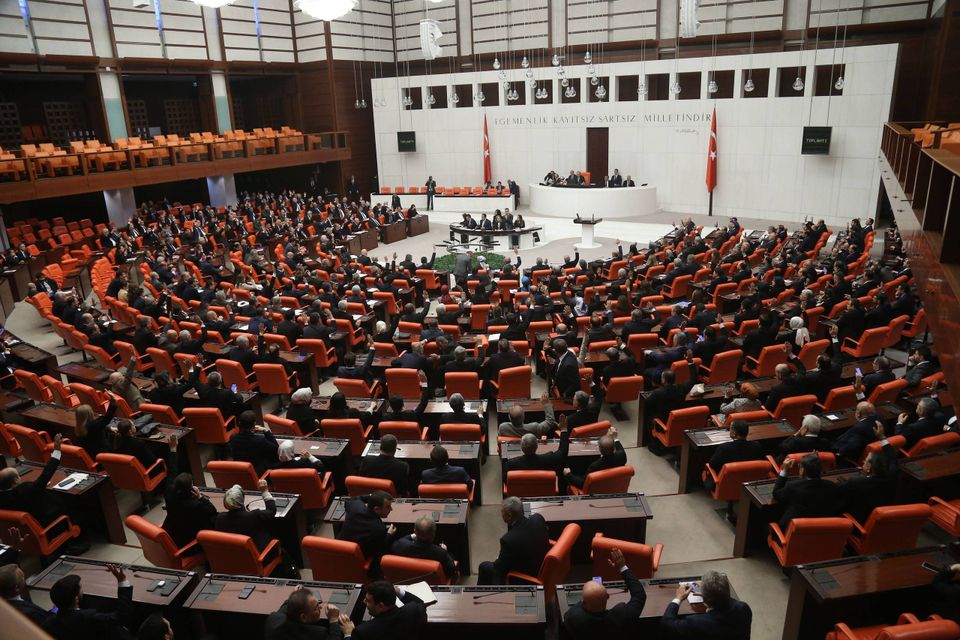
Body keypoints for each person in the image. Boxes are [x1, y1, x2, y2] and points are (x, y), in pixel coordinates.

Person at [563, 548, 646, 640]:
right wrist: (622, 567)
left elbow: (568, 614)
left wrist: (586, 600)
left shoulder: (574, 618)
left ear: (583, 602)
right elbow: (639, 595)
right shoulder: (621, 616)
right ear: (607, 596)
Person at [43, 564, 134, 640]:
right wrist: (122, 581)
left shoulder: (49, 623)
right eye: (81, 588)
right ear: (76, 599)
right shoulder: (89, 618)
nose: (83, 590)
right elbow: (122, 616)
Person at [478, 496, 551, 585]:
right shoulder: (538, 518)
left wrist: (498, 559)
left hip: (525, 577)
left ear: (509, 515)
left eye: (502, 512)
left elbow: (499, 567)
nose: (501, 514)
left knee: (484, 566)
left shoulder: (508, 540)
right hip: (542, 564)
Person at [661, 571, 752, 639]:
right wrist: (712, 593)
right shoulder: (744, 608)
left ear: (705, 598)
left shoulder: (696, 622)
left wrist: (678, 598)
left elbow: (667, 623)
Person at [771, 453, 842, 530]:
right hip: (823, 530)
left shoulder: (793, 487)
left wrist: (785, 471)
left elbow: (776, 494)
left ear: (802, 470)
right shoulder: (831, 486)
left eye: (799, 466)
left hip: (795, 531)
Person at [336, 580, 426, 640]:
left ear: (381, 605)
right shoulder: (413, 611)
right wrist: (398, 591)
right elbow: (420, 603)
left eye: (368, 600)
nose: (364, 601)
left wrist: (348, 633)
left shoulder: (363, 632)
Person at [337, 491, 397, 568]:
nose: (391, 509)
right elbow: (381, 547)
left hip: (338, 551)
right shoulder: (379, 528)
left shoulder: (355, 507)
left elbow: (351, 499)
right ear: (376, 509)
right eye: (388, 507)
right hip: (356, 562)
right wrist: (389, 534)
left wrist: (369, 497)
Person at [390, 515, 458, 581]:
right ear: (434, 533)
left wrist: (413, 535)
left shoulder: (400, 545)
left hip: (405, 581)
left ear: (415, 531)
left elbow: (401, 541)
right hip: (431, 584)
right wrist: (446, 552)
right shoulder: (441, 553)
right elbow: (451, 572)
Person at [264, 585, 345, 640]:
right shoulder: (317, 634)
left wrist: (297, 596)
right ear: (303, 617)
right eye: (316, 607)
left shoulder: (273, 619)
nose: (320, 607)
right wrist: (334, 620)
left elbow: (286, 608)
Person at [703, 420, 765, 491]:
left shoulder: (724, 448)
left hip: (725, 485)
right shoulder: (756, 446)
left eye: (730, 429)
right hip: (748, 484)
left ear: (734, 433)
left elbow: (712, 464)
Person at [162, 471, 217, 547]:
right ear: (191, 490)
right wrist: (200, 497)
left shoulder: (169, 495)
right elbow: (212, 510)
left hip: (172, 536)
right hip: (188, 544)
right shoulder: (195, 506)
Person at [229, 410, 280, 476]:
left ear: (239, 423)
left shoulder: (233, 437)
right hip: (258, 473)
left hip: (240, 471)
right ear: (254, 424)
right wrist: (266, 431)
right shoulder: (260, 440)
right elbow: (276, 449)